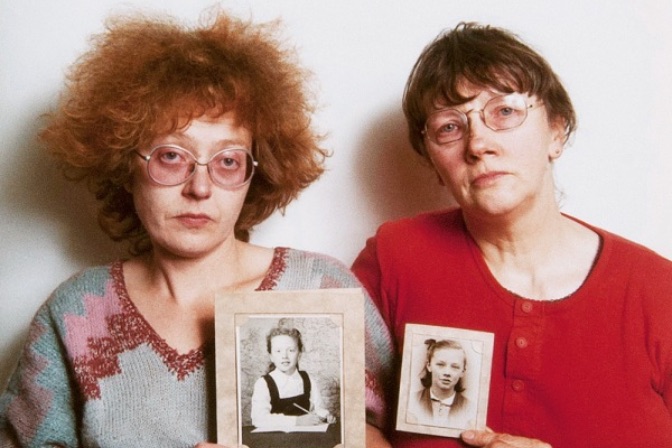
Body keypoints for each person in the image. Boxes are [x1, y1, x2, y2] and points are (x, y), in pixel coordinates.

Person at [0, 10, 393, 448]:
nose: (200, 187)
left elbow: (385, 437)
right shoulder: (77, 313)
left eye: (228, 161)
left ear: (254, 175)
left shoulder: (322, 290)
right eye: (172, 156)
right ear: (124, 166)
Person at [353, 22, 672, 448]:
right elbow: (334, 419)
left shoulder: (656, 291)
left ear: (557, 131)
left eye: (504, 112)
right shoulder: (395, 258)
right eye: (449, 127)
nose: (478, 143)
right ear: (434, 160)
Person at [250, 326, 336, 428]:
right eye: (278, 351)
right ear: (271, 357)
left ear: (299, 354)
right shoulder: (263, 384)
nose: (284, 356)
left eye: (291, 350)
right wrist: (296, 421)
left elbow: (317, 408)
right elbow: (258, 419)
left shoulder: (306, 379)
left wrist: (325, 415)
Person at [407, 339, 474, 429]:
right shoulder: (411, 401)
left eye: (455, 367)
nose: (447, 373)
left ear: (462, 371)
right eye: (440, 365)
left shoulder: (470, 409)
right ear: (429, 366)